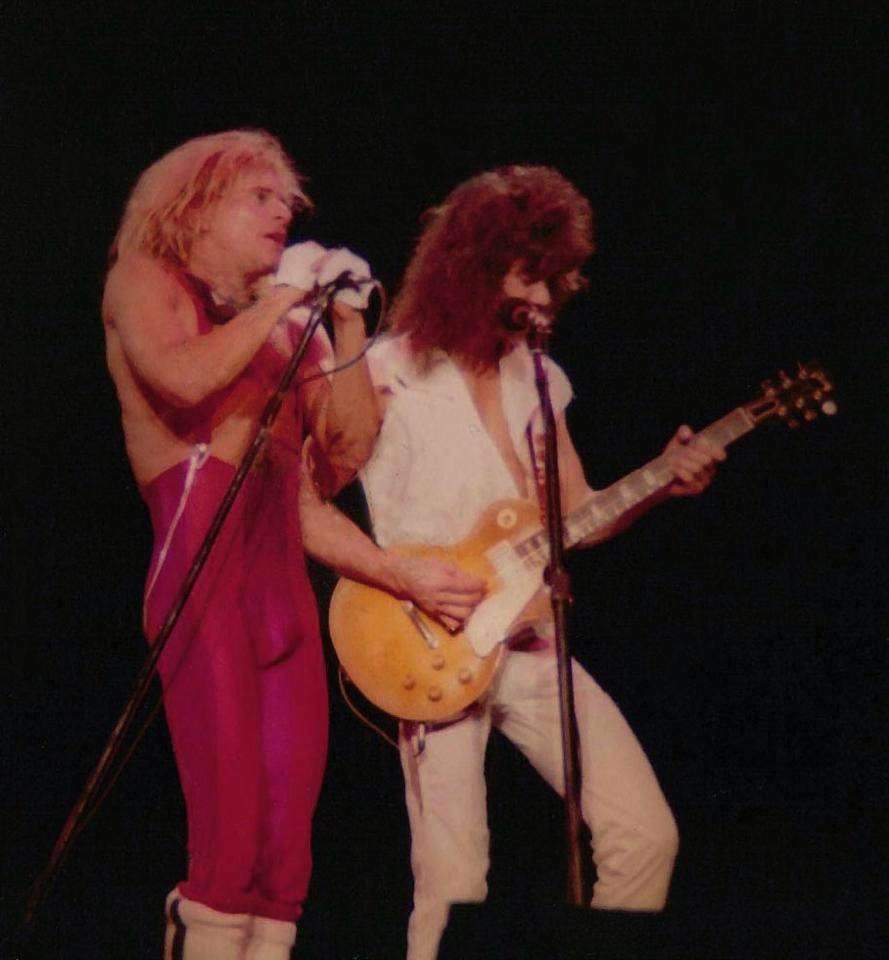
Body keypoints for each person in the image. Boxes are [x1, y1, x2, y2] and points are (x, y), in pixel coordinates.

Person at [102, 129, 484, 960]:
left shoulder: (288, 328)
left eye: (288, 202)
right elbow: (183, 379)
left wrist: (344, 327)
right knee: (230, 833)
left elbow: (342, 456)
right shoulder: (147, 279)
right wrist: (282, 300)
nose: (283, 214)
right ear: (198, 206)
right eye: (261, 197)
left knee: (285, 850)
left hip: (280, 594)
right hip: (201, 581)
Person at [359, 165, 727, 960]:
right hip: (432, 643)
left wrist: (662, 483)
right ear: (473, 266)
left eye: (550, 277)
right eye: (524, 274)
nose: (539, 295)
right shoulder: (389, 372)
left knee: (643, 833)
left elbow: (576, 516)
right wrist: (393, 585)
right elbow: (318, 490)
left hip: (528, 637)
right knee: (452, 882)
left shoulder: (538, 377)